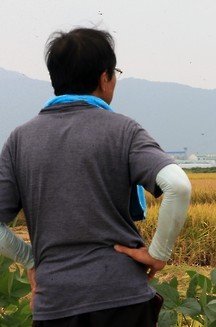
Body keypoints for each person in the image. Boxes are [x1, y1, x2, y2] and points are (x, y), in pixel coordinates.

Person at [0, 27, 191, 326]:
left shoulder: (19, 140)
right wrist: (158, 253)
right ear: (105, 77)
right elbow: (178, 186)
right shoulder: (123, 131)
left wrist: (31, 260)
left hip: (55, 303)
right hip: (123, 299)